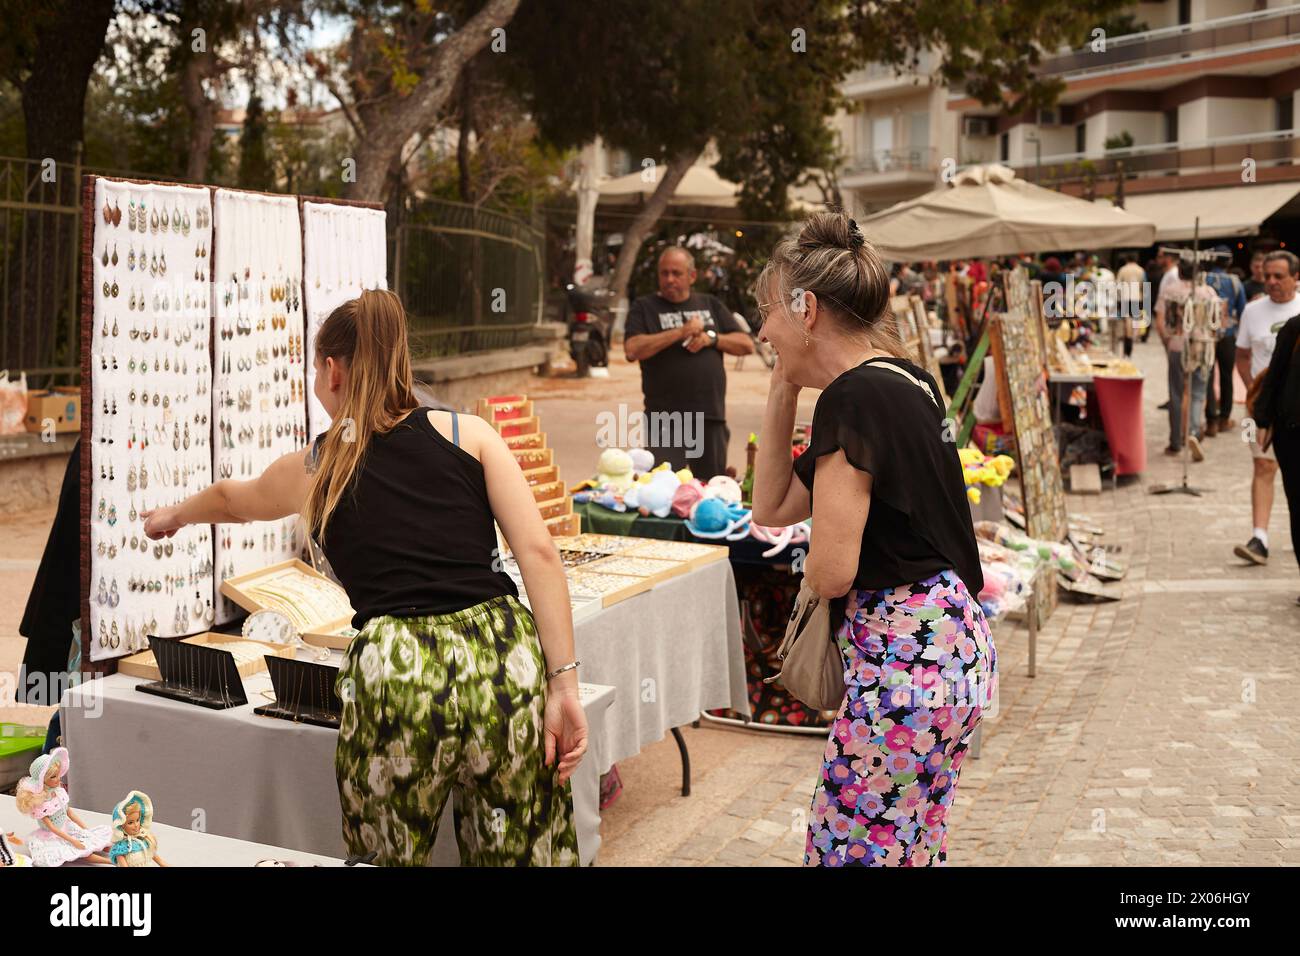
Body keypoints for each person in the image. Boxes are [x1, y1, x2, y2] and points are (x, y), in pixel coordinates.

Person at [142, 289, 586, 867]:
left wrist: (171, 516)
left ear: (331, 370)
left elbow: (234, 501)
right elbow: (540, 555)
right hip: (501, 659)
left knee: (386, 854)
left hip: (396, 670)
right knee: (524, 851)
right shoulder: (470, 435)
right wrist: (564, 685)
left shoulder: (319, 466)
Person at [750, 212, 995, 867]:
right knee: (906, 848)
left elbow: (832, 572)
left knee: (849, 852)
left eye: (767, 311)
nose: (761, 330)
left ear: (806, 310)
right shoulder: (903, 380)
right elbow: (772, 506)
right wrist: (781, 384)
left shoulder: (853, 400)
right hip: (947, 650)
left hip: (907, 658)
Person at [624, 246, 753, 479]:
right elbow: (633, 349)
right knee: (664, 488)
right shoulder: (644, 307)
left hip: (710, 417)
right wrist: (680, 331)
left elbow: (746, 344)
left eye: (676, 273)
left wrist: (711, 339)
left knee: (712, 488)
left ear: (692, 276)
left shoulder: (710, 304)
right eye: (664, 273)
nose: (669, 279)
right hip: (665, 419)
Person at [1233, 250, 1300, 565]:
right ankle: (1259, 537)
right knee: (1261, 465)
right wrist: (1252, 392)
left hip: (1292, 410)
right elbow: (1242, 356)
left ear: (1295, 277)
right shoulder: (1252, 310)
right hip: (1255, 408)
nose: (1271, 282)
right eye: (1267, 275)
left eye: (1279, 276)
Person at [1251, 310, 1300, 604]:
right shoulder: (1294, 329)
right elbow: (1275, 376)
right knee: (1299, 505)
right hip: (1294, 433)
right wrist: (1262, 420)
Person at [1157, 259, 1219, 461]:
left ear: (1180, 271)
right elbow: (1215, 323)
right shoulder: (1208, 292)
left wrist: (1167, 342)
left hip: (1177, 343)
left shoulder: (1170, 290)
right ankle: (1192, 431)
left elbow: (1160, 321)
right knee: (1198, 392)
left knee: (1176, 392)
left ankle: (1175, 441)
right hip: (1203, 344)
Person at [1203, 246, 1247, 435]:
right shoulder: (1235, 281)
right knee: (1227, 376)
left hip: (1206, 335)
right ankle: (1224, 418)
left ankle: (1211, 420)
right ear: (1229, 262)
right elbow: (1243, 309)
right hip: (1228, 335)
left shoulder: (1203, 278)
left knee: (1208, 376)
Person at [1116, 253, 1147, 358]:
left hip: (1125, 297)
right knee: (1136, 318)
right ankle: (1133, 337)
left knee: (1127, 320)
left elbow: (1118, 284)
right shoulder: (1141, 270)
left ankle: (1128, 337)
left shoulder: (1123, 269)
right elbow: (1144, 284)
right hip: (1137, 297)